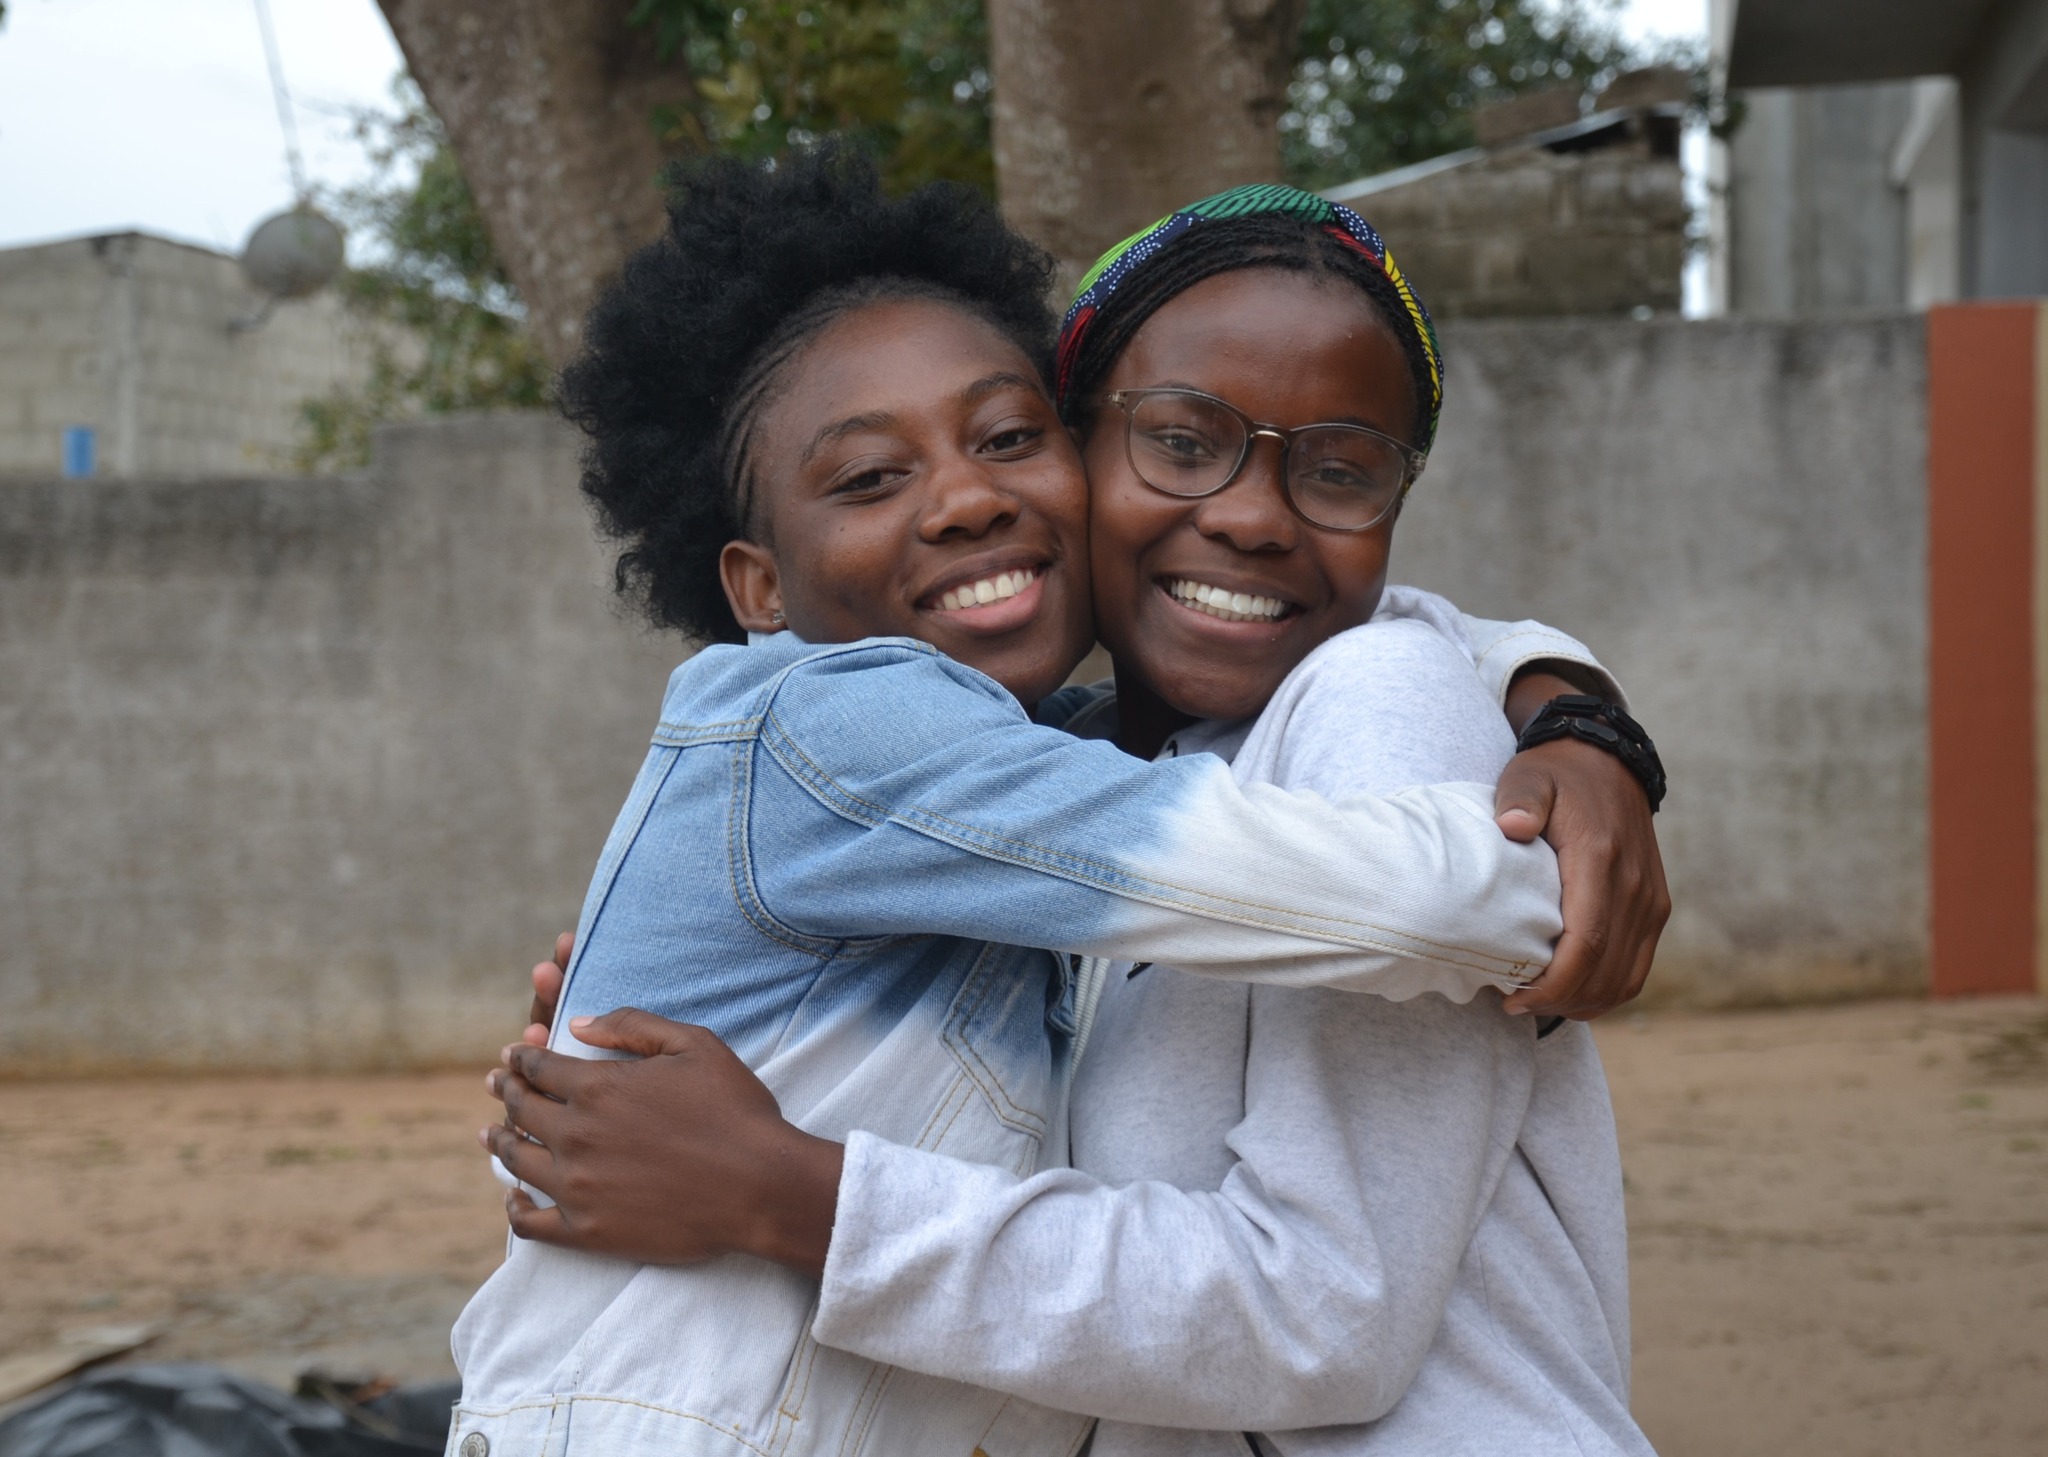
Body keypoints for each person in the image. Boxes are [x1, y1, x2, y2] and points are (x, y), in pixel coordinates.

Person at [484, 179, 1666, 1456]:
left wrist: (1568, 732)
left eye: (1339, 470)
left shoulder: (1358, 696)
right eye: (1180, 442)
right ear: (1093, 446)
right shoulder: (1036, 786)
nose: (1252, 514)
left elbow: (1315, 1307)